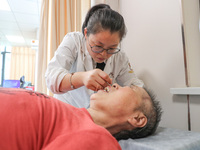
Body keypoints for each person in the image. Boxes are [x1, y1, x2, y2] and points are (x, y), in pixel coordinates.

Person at [0, 84, 162, 150]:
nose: (114, 84)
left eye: (130, 88)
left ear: (138, 119)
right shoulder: (71, 113)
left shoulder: (98, 139)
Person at [45, 4, 144, 108]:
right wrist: (82, 78)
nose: (104, 54)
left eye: (112, 48)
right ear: (86, 33)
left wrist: (139, 94)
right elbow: (51, 77)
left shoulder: (120, 57)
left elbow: (134, 83)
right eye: (98, 46)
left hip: (94, 117)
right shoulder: (74, 41)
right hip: (66, 109)